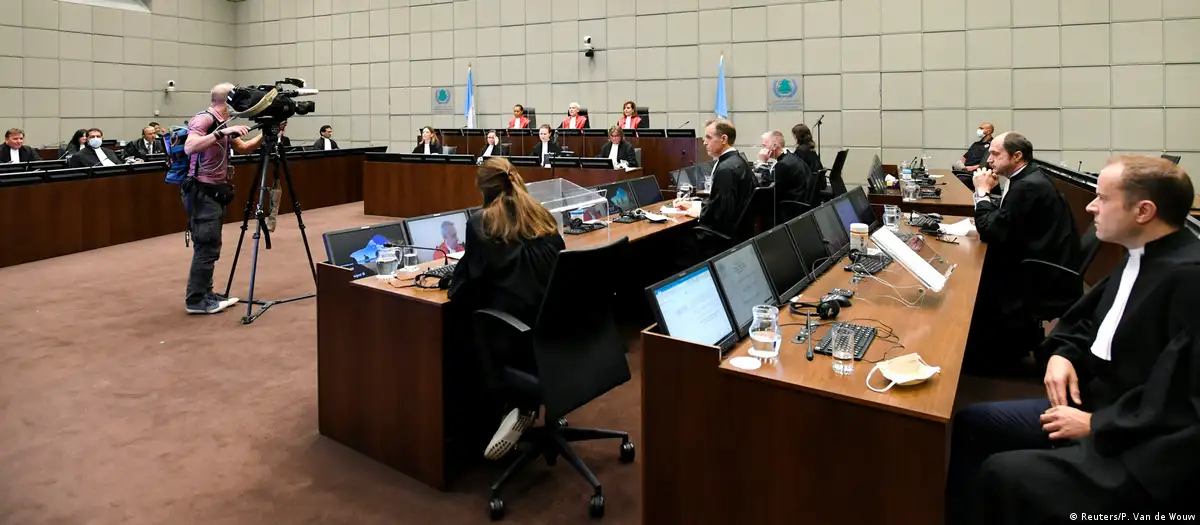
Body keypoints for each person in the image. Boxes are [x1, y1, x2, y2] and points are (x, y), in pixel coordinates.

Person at [945, 155, 1200, 525]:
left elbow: (1184, 405)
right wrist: (1063, 354)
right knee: (972, 424)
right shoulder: (1141, 254)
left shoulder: (1189, 280)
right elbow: (1090, 322)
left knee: (1004, 473)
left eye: (1103, 198)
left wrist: (1096, 424)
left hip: (1140, 448)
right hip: (1103, 407)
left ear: (1143, 211)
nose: (1090, 206)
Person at [446, 156, 566, 460]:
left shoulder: (481, 222)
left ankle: (510, 409)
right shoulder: (541, 214)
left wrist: (448, 280)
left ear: (483, 189)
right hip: (558, 333)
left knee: (456, 328)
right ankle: (526, 405)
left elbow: (466, 285)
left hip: (517, 337)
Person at [965, 131, 1081, 370]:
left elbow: (991, 231)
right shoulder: (1029, 177)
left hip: (1038, 271)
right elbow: (1008, 220)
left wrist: (982, 193)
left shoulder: (1026, 186)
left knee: (974, 276)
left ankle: (989, 356)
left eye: (996, 154)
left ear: (1017, 156)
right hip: (1041, 257)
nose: (989, 160)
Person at [179, 82, 263, 315]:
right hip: (201, 192)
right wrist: (220, 133)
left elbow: (244, 147)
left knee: (211, 244)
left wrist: (268, 133)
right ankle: (196, 300)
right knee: (207, 245)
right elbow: (190, 147)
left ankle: (206, 292)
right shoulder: (204, 120)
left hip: (214, 191)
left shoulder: (223, 122)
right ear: (229, 101)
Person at [674, 119, 754, 265]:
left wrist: (697, 212)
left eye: (709, 138)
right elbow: (721, 202)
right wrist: (695, 204)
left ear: (723, 139)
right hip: (739, 233)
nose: (704, 142)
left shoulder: (725, 169)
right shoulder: (738, 161)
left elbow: (720, 214)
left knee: (672, 240)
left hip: (721, 238)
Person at [754, 130, 814, 223]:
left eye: (764, 146)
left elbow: (767, 190)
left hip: (788, 211)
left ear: (774, 146)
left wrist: (762, 163)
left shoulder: (783, 165)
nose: (762, 150)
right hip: (799, 203)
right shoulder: (790, 157)